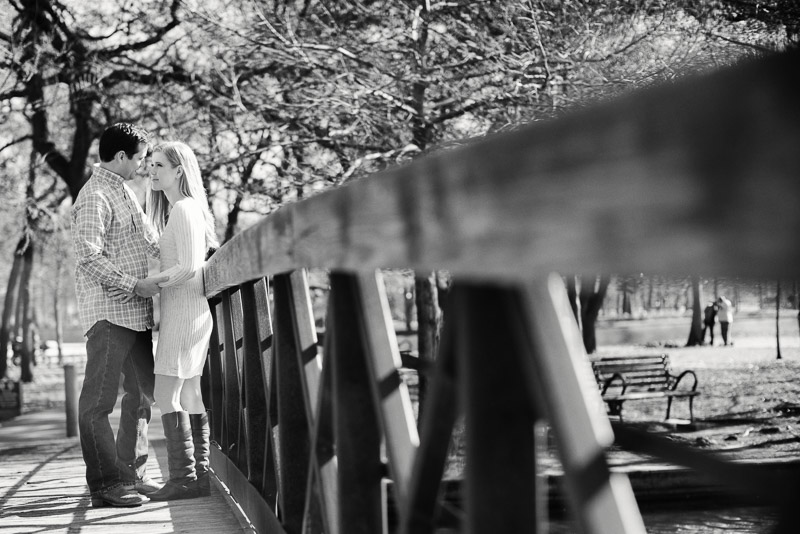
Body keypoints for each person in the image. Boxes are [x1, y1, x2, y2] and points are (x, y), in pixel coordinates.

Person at [112, 140, 219, 501]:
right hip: (183, 311)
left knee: (164, 392)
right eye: (151, 164)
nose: (151, 171)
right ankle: (195, 477)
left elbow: (189, 267)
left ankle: (185, 478)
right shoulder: (180, 210)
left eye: (159, 165)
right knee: (188, 391)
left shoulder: (185, 209)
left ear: (179, 171)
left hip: (186, 312)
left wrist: (150, 286)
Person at [71, 123, 169, 508]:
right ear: (122, 156)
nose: (144, 166)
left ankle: (131, 475)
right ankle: (105, 484)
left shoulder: (125, 191)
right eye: (141, 158)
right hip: (110, 313)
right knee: (98, 403)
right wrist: (135, 285)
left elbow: (150, 241)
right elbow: (88, 257)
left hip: (137, 313)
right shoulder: (94, 196)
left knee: (142, 397)